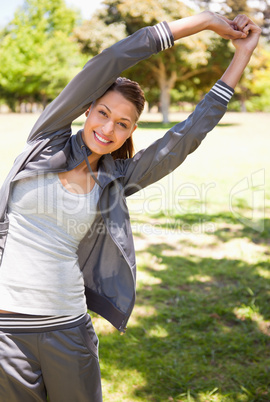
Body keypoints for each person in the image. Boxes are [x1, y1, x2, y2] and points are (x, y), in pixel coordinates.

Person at [0, 10, 261, 402]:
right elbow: (112, 59)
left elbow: (186, 137)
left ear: (131, 131)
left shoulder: (118, 178)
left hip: (69, 330)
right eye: (103, 113)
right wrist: (205, 21)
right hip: (7, 334)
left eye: (123, 123)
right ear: (86, 109)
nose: (108, 129)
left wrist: (242, 54)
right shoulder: (46, 140)